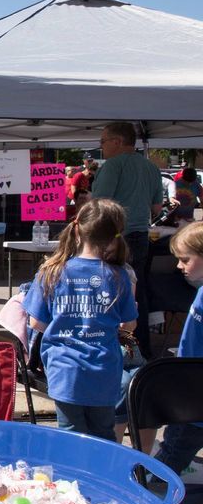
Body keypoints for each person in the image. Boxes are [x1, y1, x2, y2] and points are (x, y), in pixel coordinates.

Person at [23, 198, 137, 440]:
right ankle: (100, 477)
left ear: (76, 228)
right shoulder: (119, 275)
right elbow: (129, 324)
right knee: (103, 434)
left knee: (70, 435)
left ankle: (74, 478)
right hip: (104, 369)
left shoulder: (51, 271)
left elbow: (36, 323)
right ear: (114, 236)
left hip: (65, 369)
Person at [91, 121, 163, 358]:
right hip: (141, 235)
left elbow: (99, 205)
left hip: (114, 238)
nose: (101, 146)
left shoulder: (112, 166)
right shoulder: (151, 168)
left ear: (117, 141)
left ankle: (113, 348)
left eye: (103, 141)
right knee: (136, 292)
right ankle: (140, 348)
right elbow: (156, 207)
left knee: (106, 292)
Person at [149, 222, 203, 474]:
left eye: (185, 259)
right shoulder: (200, 292)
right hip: (187, 387)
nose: (179, 266)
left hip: (193, 396)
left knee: (168, 463)